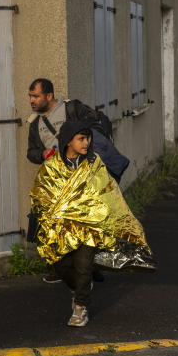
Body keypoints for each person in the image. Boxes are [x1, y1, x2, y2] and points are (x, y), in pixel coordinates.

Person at [30, 121, 155, 327]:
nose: (86, 142)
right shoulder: (52, 167)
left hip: (89, 227)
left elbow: (106, 190)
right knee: (61, 266)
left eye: (88, 138)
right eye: (81, 138)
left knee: (83, 265)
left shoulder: (94, 163)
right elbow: (42, 194)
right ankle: (80, 287)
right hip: (61, 229)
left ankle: (80, 308)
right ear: (68, 141)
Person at [26, 78, 130, 185]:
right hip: (62, 182)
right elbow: (31, 152)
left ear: (49, 96)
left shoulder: (72, 109)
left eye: (36, 96)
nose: (31, 100)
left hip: (87, 176)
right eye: (30, 96)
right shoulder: (35, 124)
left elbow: (96, 128)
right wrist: (42, 154)